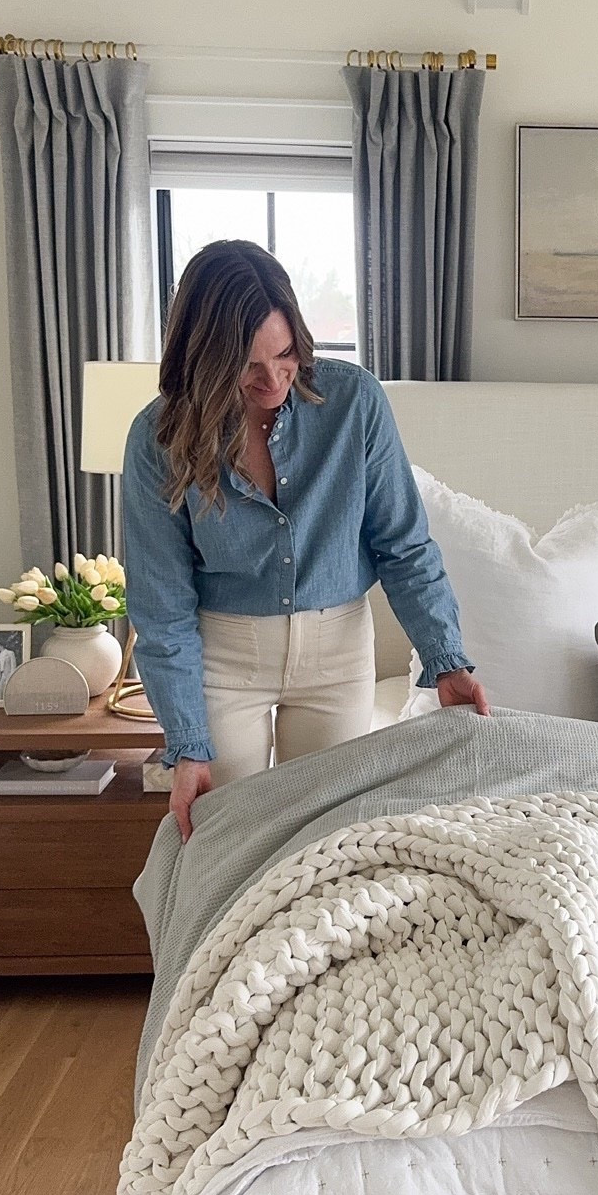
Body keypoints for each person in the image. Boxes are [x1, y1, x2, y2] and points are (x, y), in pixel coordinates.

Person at [124, 240, 487, 841]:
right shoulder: (157, 438)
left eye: (286, 354)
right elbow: (162, 605)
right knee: (225, 842)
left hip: (337, 652)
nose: (273, 379)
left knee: (326, 843)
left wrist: (446, 658)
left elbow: (403, 544)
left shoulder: (354, 403)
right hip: (224, 658)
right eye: (247, 365)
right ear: (205, 358)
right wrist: (186, 744)